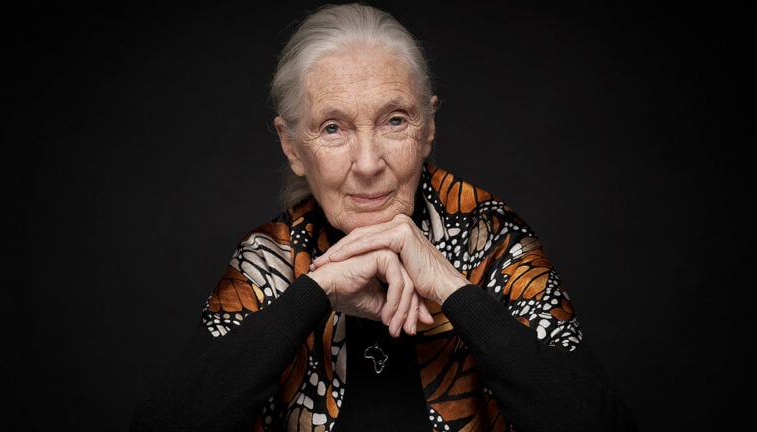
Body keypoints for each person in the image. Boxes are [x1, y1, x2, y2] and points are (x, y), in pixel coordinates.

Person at [130, 3, 636, 431]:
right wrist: (316, 291)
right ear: (292, 146)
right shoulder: (272, 257)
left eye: (395, 120)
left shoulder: (493, 237)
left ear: (428, 128)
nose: (369, 163)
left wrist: (451, 288)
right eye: (333, 128)